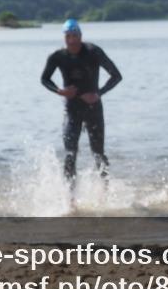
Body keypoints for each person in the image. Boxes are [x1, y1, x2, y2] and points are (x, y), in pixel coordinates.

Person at [41, 19, 123, 190]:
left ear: (80, 36)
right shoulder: (58, 56)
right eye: (68, 36)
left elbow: (116, 76)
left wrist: (98, 94)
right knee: (70, 154)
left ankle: (105, 191)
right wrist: (60, 91)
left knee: (98, 153)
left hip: (93, 109)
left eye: (74, 36)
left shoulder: (93, 52)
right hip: (71, 110)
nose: (71, 40)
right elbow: (44, 79)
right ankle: (70, 197)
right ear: (64, 37)